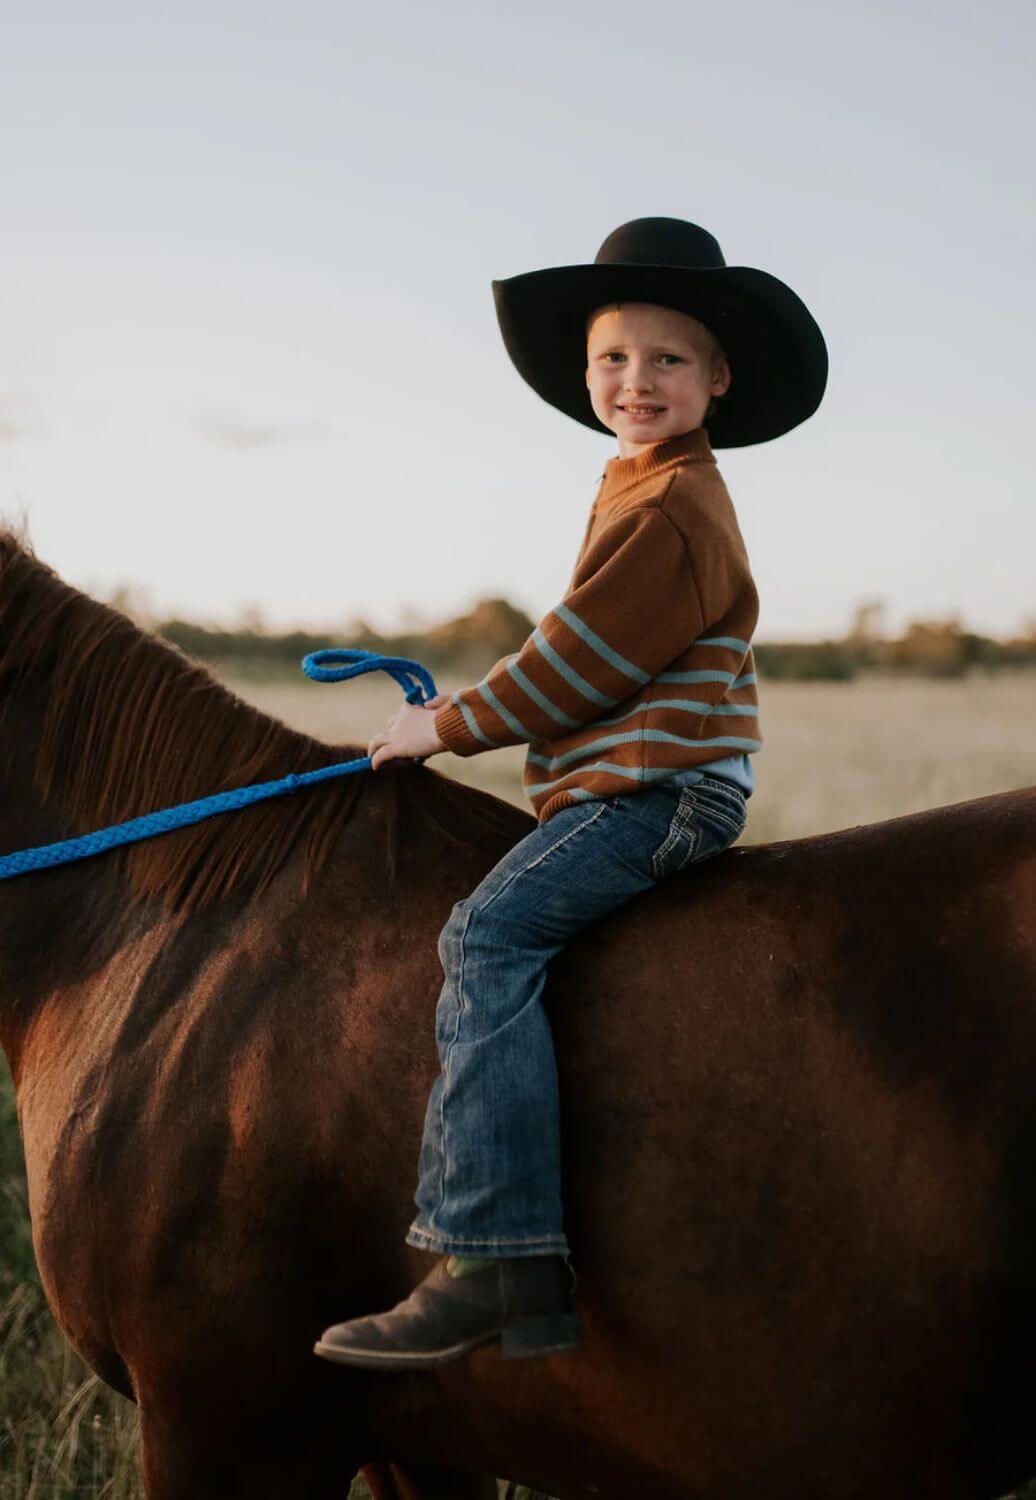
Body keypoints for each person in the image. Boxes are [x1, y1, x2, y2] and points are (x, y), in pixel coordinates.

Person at [313, 216, 828, 1372]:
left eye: (667, 360)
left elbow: (581, 657)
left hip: (659, 795)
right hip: (634, 784)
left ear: (718, 379)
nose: (635, 380)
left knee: (485, 936)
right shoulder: (638, 483)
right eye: (613, 358)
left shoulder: (670, 508)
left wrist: (441, 727)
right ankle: (528, 1282)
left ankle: (492, 1253)